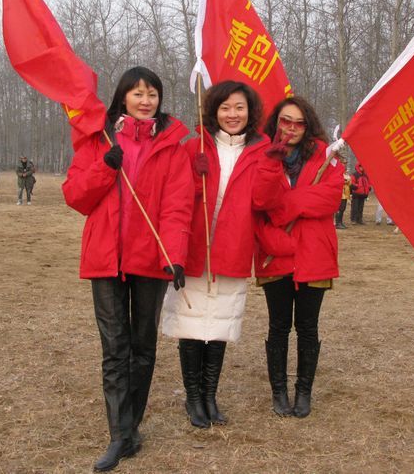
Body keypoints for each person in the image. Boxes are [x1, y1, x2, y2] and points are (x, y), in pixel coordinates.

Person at [62, 67, 193, 472]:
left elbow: (177, 206)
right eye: (137, 93)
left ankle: (130, 425)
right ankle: (120, 435)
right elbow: (75, 196)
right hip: (106, 259)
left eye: (152, 93)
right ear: (122, 98)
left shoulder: (172, 146)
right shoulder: (98, 140)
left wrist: (174, 255)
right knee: (114, 347)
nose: (145, 100)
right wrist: (105, 165)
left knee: (143, 347)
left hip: (151, 260)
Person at [162, 81, 268, 429]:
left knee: (219, 325)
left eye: (239, 107)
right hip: (194, 250)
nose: (232, 114)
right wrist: (197, 179)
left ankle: (210, 395)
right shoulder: (194, 147)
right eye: (225, 108)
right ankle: (193, 398)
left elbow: (267, 203)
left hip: (232, 250)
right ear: (213, 111)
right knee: (191, 326)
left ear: (250, 112)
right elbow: (174, 198)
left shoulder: (262, 151)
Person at [252, 96, 344, 418]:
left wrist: (289, 204)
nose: (291, 128)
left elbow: (331, 198)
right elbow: (260, 200)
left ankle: (303, 391)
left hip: (314, 253)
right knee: (278, 326)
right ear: (276, 123)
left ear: (308, 126)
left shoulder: (325, 157)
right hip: (273, 254)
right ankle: (279, 392)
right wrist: (270, 164)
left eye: (298, 123)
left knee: (307, 327)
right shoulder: (262, 155)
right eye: (285, 121)